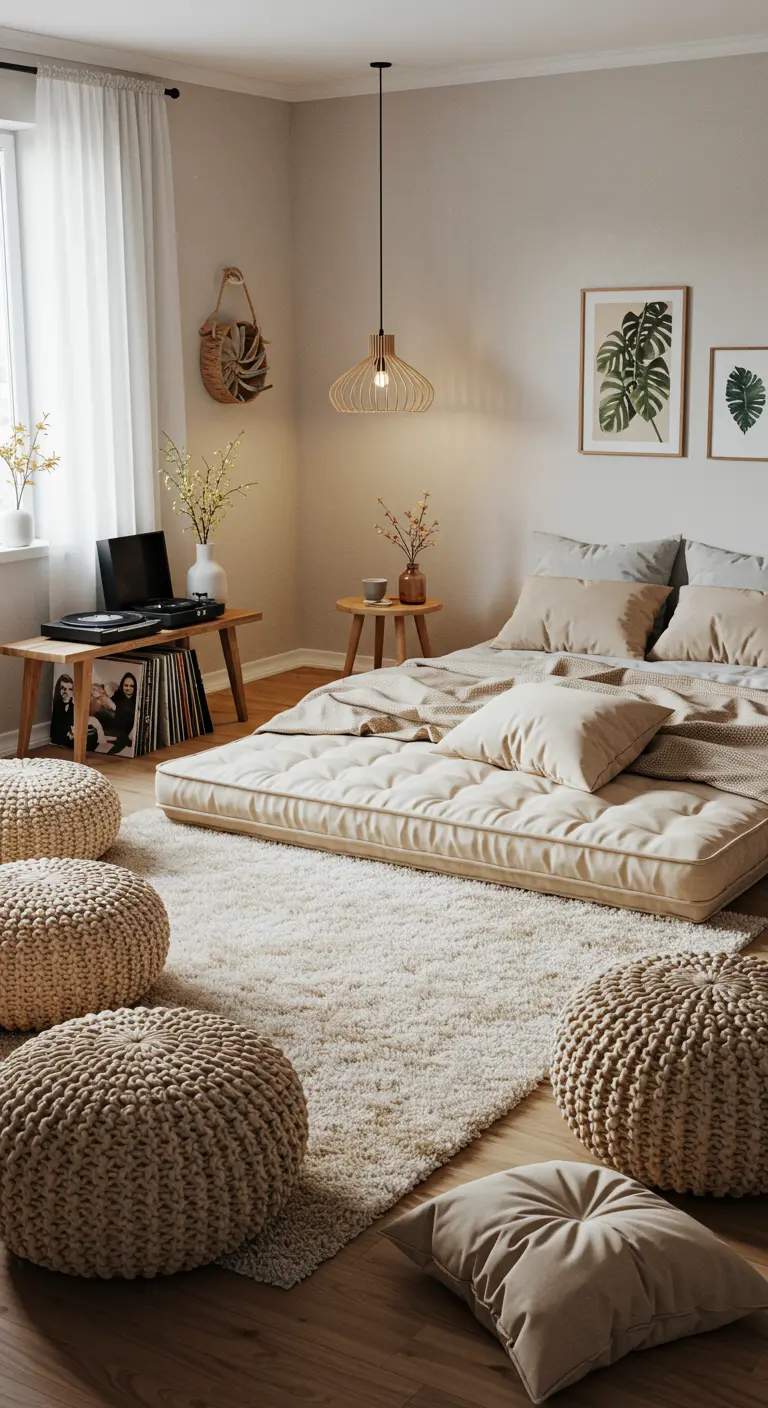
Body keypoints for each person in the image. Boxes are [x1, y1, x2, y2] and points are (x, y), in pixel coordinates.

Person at [50, 673, 105, 751]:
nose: (66, 692)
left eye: (70, 689)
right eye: (63, 688)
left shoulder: (73, 704)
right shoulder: (55, 705)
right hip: (62, 739)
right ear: (58, 689)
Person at [107, 671, 139, 754]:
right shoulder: (117, 697)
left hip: (127, 733)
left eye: (132, 686)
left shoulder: (137, 701)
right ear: (122, 685)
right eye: (126, 685)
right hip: (114, 730)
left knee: (123, 739)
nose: (128, 688)